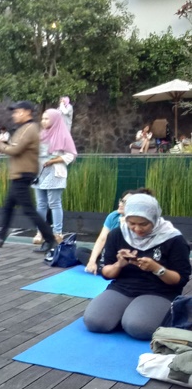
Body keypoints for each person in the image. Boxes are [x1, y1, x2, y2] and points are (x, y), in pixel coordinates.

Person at [83, 194, 191, 340]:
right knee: (94, 322)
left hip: (159, 291)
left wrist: (156, 268)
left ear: (154, 218)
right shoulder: (118, 234)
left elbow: (180, 280)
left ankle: (141, 314)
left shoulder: (173, 239)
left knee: (139, 328)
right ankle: (128, 313)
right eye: (131, 223)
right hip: (123, 288)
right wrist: (119, 264)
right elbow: (106, 273)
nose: (137, 229)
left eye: (143, 224)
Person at [0, 101, 57, 254]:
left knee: (29, 210)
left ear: (26, 112)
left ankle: (50, 239)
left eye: (17, 111)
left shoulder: (30, 128)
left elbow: (15, 149)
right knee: (8, 206)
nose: (14, 115)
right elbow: (13, 147)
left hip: (23, 174)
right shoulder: (24, 128)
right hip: (20, 174)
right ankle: (0, 235)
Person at [77, 188, 154, 274]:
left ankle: (104, 269)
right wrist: (92, 261)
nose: (120, 204)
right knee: (80, 251)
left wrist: (124, 227)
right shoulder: (114, 216)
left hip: (128, 256)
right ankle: (99, 266)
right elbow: (102, 239)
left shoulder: (141, 222)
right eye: (121, 201)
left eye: (125, 202)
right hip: (109, 253)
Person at [32, 108, 77, 245]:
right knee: (41, 204)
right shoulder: (40, 135)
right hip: (39, 171)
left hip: (55, 172)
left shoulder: (63, 135)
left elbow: (71, 155)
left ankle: (58, 233)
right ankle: (40, 232)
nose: (44, 121)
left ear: (55, 120)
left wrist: (53, 160)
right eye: (43, 118)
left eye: (47, 118)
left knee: (54, 203)